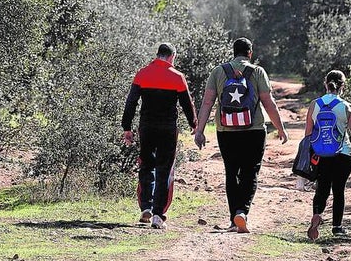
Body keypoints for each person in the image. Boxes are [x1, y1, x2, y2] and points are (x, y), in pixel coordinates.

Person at [193, 37, 288, 233]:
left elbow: (207, 103)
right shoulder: (258, 71)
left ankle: (232, 219)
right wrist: (280, 128)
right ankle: (242, 212)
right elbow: (268, 102)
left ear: (234, 52)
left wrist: (200, 130)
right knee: (250, 171)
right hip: (253, 130)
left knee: (231, 171)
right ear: (250, 53)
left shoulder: (218, 71)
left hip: (226, 131)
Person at [121, 42, 196, 230]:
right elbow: (187, 104)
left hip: (146, 127)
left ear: (158, 55)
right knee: (164, 169)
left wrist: (127, 127)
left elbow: (131, 102)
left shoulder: (142, 73)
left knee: (146, 165)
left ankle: (145, 207)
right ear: (172, 56)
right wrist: (194, 125)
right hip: (168, 129)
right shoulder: (178, 77)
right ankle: (158, 215)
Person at [304, 70, 351, 240]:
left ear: (325, 84)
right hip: (342, 154)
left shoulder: (315, 104)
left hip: (321, 154)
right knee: (339, 190)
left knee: (322, 189)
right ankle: (337, 227)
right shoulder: (346, 106)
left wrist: (307, 155)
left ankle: (317, 213)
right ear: (343, 86)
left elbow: (308, 133)